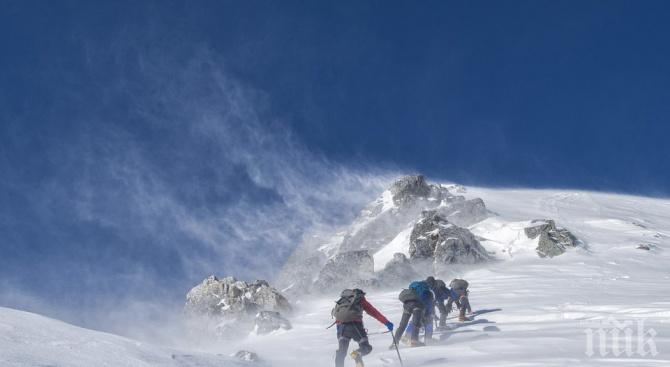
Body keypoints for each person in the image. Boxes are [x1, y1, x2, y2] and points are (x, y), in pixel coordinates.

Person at [331, 288, 393, 367]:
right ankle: (357, 354)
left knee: (342, 352)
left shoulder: (341, 301)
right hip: (356, 327)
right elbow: (374, 312)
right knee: (366, 347)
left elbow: (338, 317)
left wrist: (340, 334)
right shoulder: (360, 300)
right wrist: (387, 322)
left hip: (341, 329)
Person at [392, 279, 434, 348]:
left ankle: (395, 343)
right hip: (417, 306)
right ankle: (414, 341)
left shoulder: (414, 286)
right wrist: (428, 314)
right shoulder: (427, 292)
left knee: (402, 325)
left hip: (407, 305)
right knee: (416, 324)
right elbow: (428, 304)